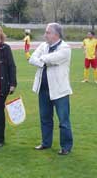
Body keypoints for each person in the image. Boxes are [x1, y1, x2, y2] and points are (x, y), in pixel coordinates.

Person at [29, 23, 73, 155]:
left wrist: (41, 59)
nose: (45, 35)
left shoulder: (65, 48)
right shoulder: (43, 45)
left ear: (56, 34)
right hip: (43, 89)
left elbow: (52, 59)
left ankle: (66, 147)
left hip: (60, 91)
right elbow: (32, 59)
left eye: (47, 32)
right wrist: (42, 60)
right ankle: (46, 143)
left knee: (63, 120)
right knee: (45, 118)